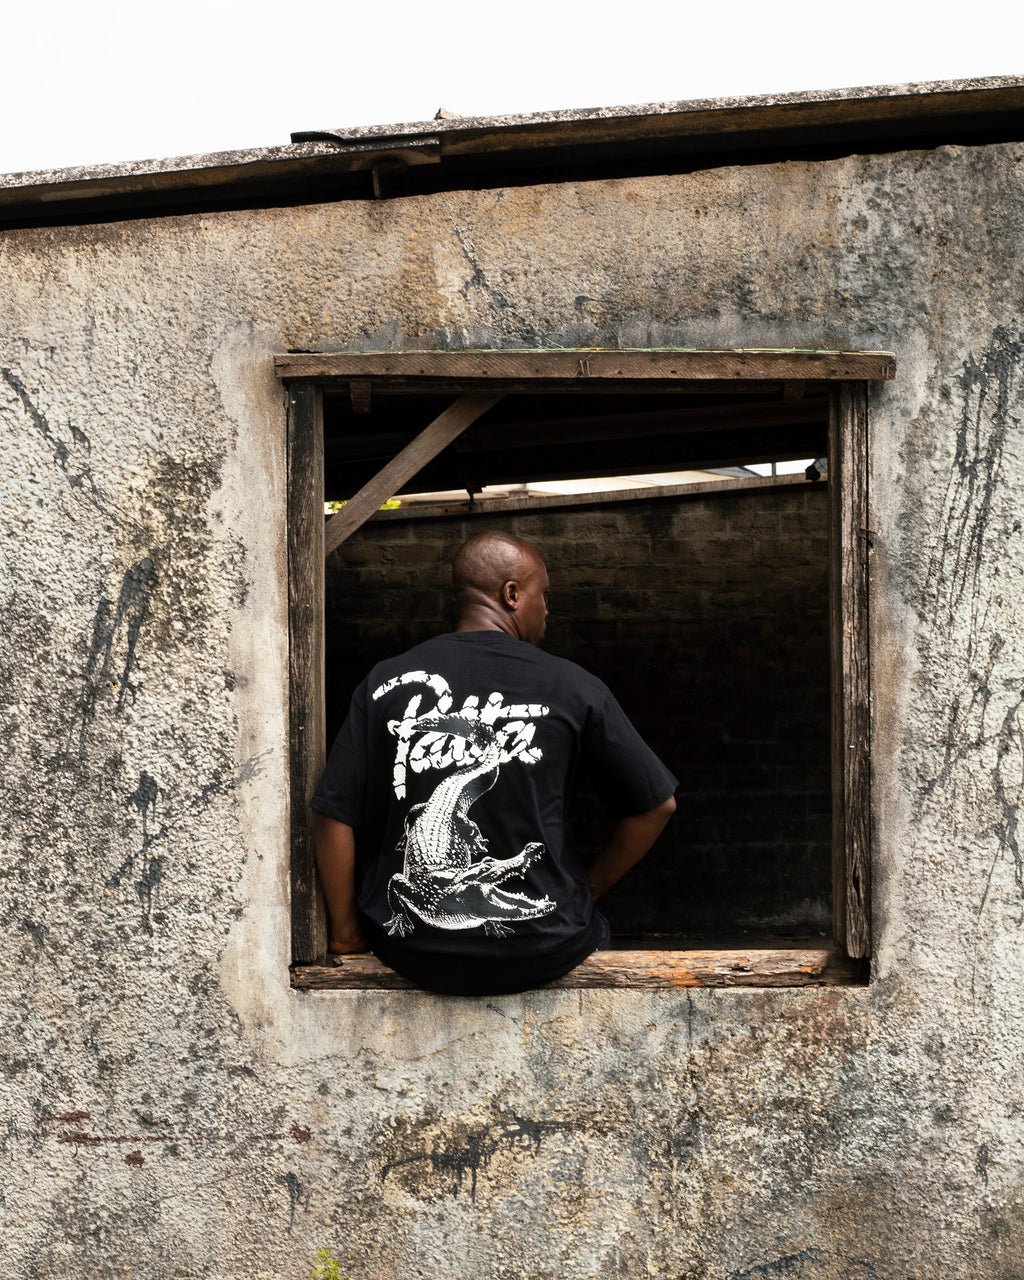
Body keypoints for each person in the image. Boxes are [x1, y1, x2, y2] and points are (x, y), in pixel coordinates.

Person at [310, 531, 677, 995]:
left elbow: (332, 813)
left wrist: (346, 935)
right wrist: (587, 890)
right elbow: (657, 806)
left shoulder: (384, 682)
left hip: (411, 954)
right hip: (546, 946)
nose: (548, 610)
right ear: (512, 594)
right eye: (544, 595)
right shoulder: (575, 685)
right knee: (594, 927)